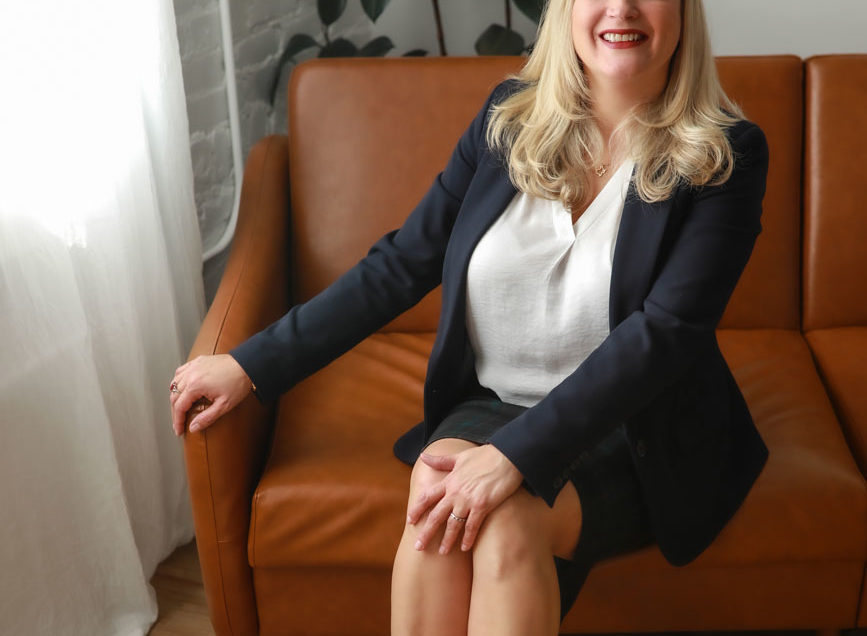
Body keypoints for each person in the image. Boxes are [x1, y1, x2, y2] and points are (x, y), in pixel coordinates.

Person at [169, 0, 770, 633]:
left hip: (639, 423)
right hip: (495, 400)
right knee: (436, 511)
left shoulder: (726, 155)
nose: (620, 8)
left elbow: (665, 336)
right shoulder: (508, 119)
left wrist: (516, 454)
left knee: (505, 520)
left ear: (682, 12)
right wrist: (250, 363)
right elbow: (403, 262)